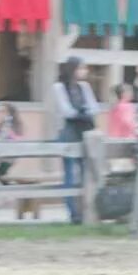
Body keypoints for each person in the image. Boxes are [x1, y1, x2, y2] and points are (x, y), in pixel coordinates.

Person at [52, 57, 100, 224]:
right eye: (81, 68)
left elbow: (95, 107)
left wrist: (84, 111)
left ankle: (87, 210)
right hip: (68, 132)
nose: (84, 71)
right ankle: (73, 212)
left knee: (86, 173)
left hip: (84, 131)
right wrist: (81, 112)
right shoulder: (59, 87)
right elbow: (66, 110)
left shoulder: (84, 87)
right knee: (70, 175)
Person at [0, 102, 23, 183]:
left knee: (0, 173)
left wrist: (11, 136)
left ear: (9, 111)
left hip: (11, 153)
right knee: (1, 174)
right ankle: (11, 190)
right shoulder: (4, 122)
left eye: (4, 110)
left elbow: (18, 136)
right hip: (3, 152)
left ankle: (11, 191)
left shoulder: (14, 122)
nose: (1, 112)